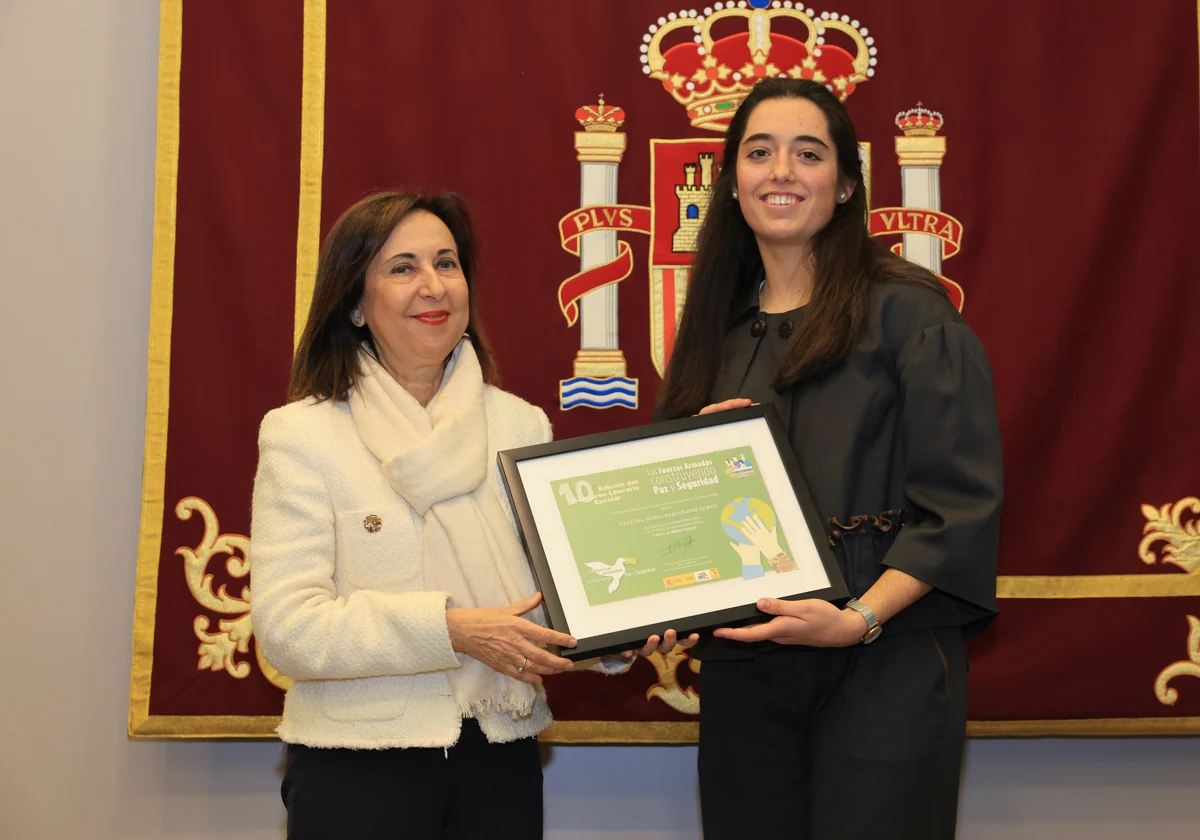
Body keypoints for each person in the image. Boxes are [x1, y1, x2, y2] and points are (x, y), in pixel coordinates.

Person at [250, 191, 685, 840]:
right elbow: (289, 629)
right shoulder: (303, 435)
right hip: (357, 767)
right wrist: (447, 628)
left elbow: (545, 604)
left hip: (499, 756)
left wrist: (618, 632)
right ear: (354, 305)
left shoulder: (519, 423)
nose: (433, 286)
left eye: (446, 264)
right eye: (402, 268)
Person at [655, 79, 1004, 839]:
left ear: (846, 185)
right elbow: (670, 518)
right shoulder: (713, 334)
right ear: (731, 184)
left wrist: (859, 620)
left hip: (886, 663)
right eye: (759, 152)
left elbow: (960, 509)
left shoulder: (912, 315)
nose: (780, 171)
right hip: (745, 676)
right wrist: (653, 603)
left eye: (807, 154)